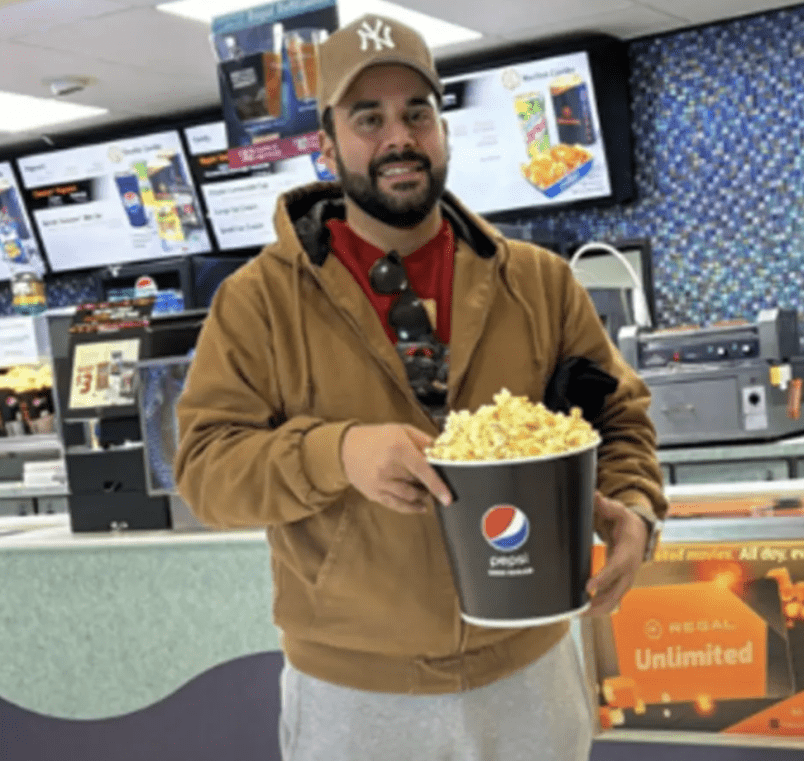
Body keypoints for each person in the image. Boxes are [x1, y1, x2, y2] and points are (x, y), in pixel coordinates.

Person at [174, 13, 667, 761]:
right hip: (354, 695)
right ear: (326, 144)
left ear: (442, 129)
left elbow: (619, 417)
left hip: (529, 672)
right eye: (368, 118)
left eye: (417, 113)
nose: (399, 138)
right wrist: (337, 454)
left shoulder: (539, 282)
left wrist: (635, 505)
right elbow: (206, 472)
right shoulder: (258, 303)